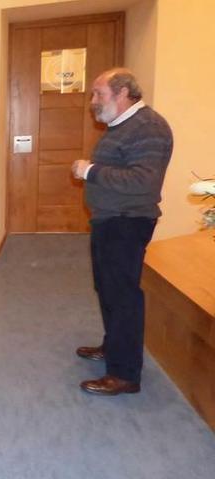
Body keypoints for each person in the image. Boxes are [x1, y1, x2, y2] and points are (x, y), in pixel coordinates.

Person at [71, 68, 173, 396]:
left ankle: (125, 374)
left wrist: (91, 170)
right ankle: (113, 348)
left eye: (99, 94)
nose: (92, 102)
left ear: (123, 93)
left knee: (123, 296)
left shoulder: (148, 127)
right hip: (110, 219)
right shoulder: (122, 126)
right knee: (108, 289)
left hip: (127, 222)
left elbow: (143, 181)